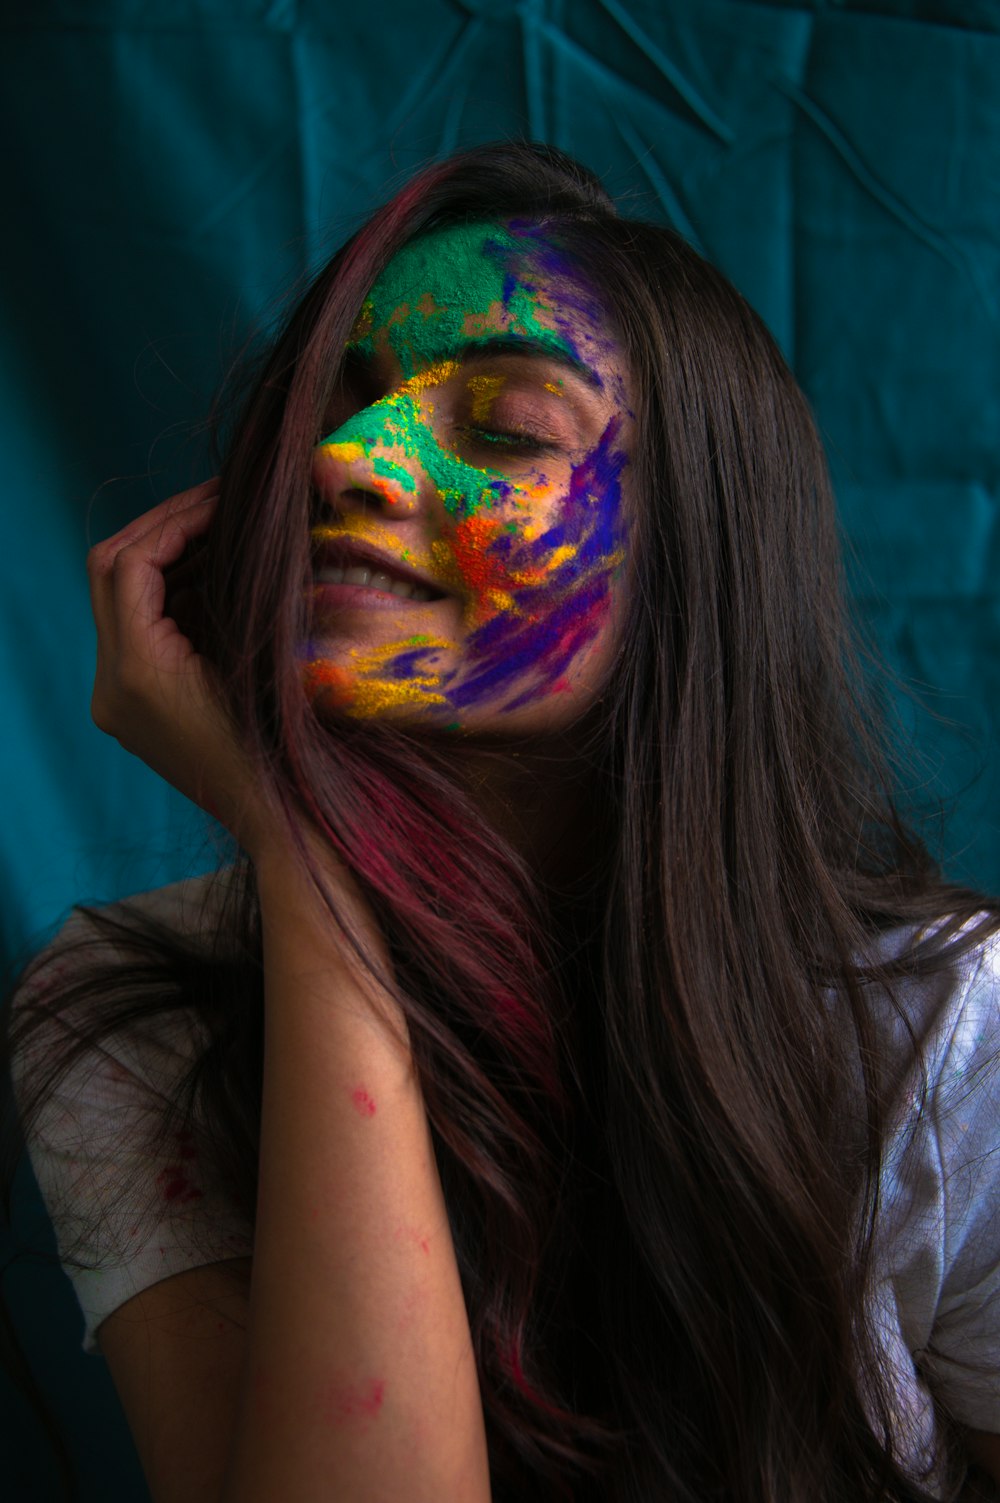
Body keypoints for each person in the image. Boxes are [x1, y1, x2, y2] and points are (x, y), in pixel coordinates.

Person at [2, 139, 999, 1503]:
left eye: (505, 428)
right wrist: (305, 858)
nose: (348, 460)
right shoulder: (133, 1016)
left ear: (694, 562)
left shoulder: (949, 1046)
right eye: (332, 412)